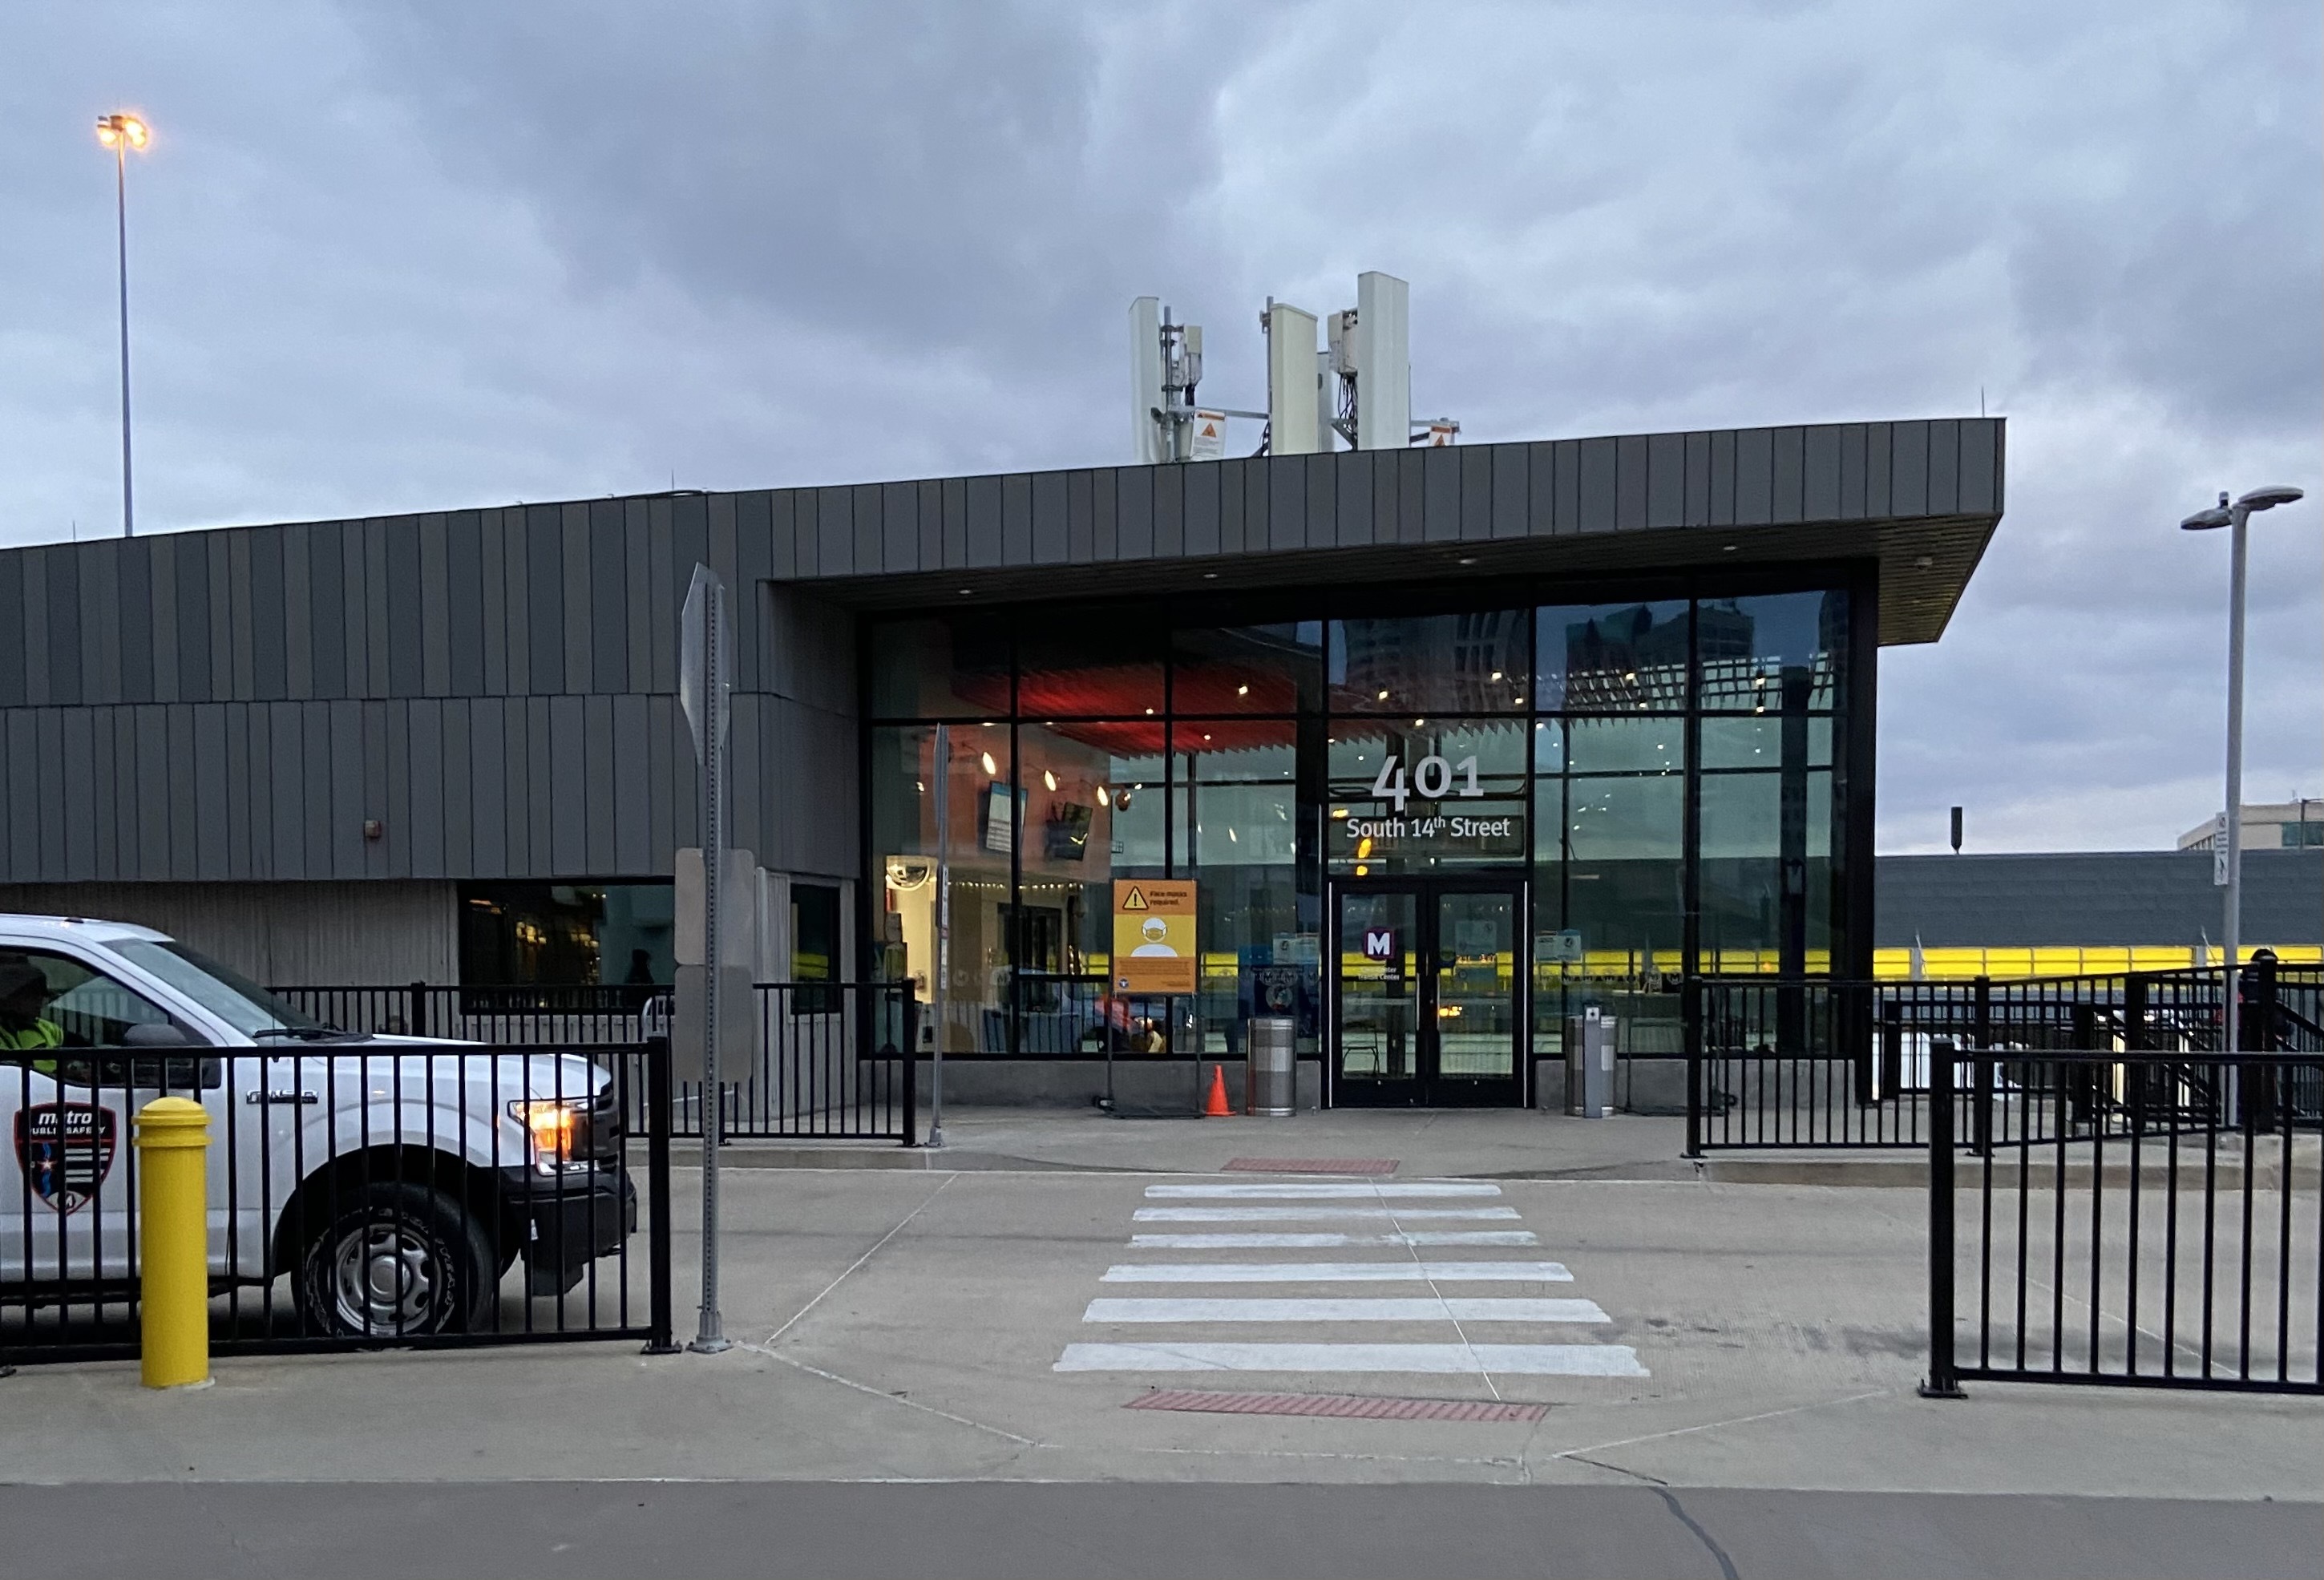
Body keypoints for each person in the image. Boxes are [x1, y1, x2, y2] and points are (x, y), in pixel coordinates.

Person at [0, 958, 64, 1060]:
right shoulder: (4, 1032)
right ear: (10, 998)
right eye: (33, 997)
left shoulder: (48, 1027)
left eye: (42, 997)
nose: (40, 1003)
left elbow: (82, 1047)